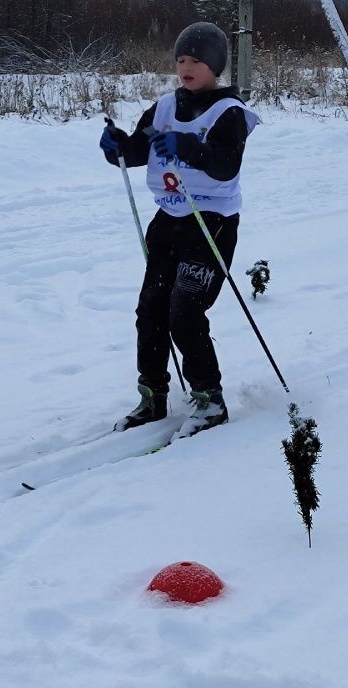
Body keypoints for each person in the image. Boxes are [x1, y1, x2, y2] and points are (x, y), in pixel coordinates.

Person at [99, 22, 259, 440]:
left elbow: (226, 165)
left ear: (216, 66)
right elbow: (137, 150)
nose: (186, 67)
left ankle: (209, 400)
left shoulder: (229, 112)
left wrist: (189, 148)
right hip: (169, 222)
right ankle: (152, 396)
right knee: (150, 310)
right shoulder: (164, 108)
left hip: (211, 224)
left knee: (184, 312)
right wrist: (116, 147)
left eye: (197, 61)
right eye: (181, 59)